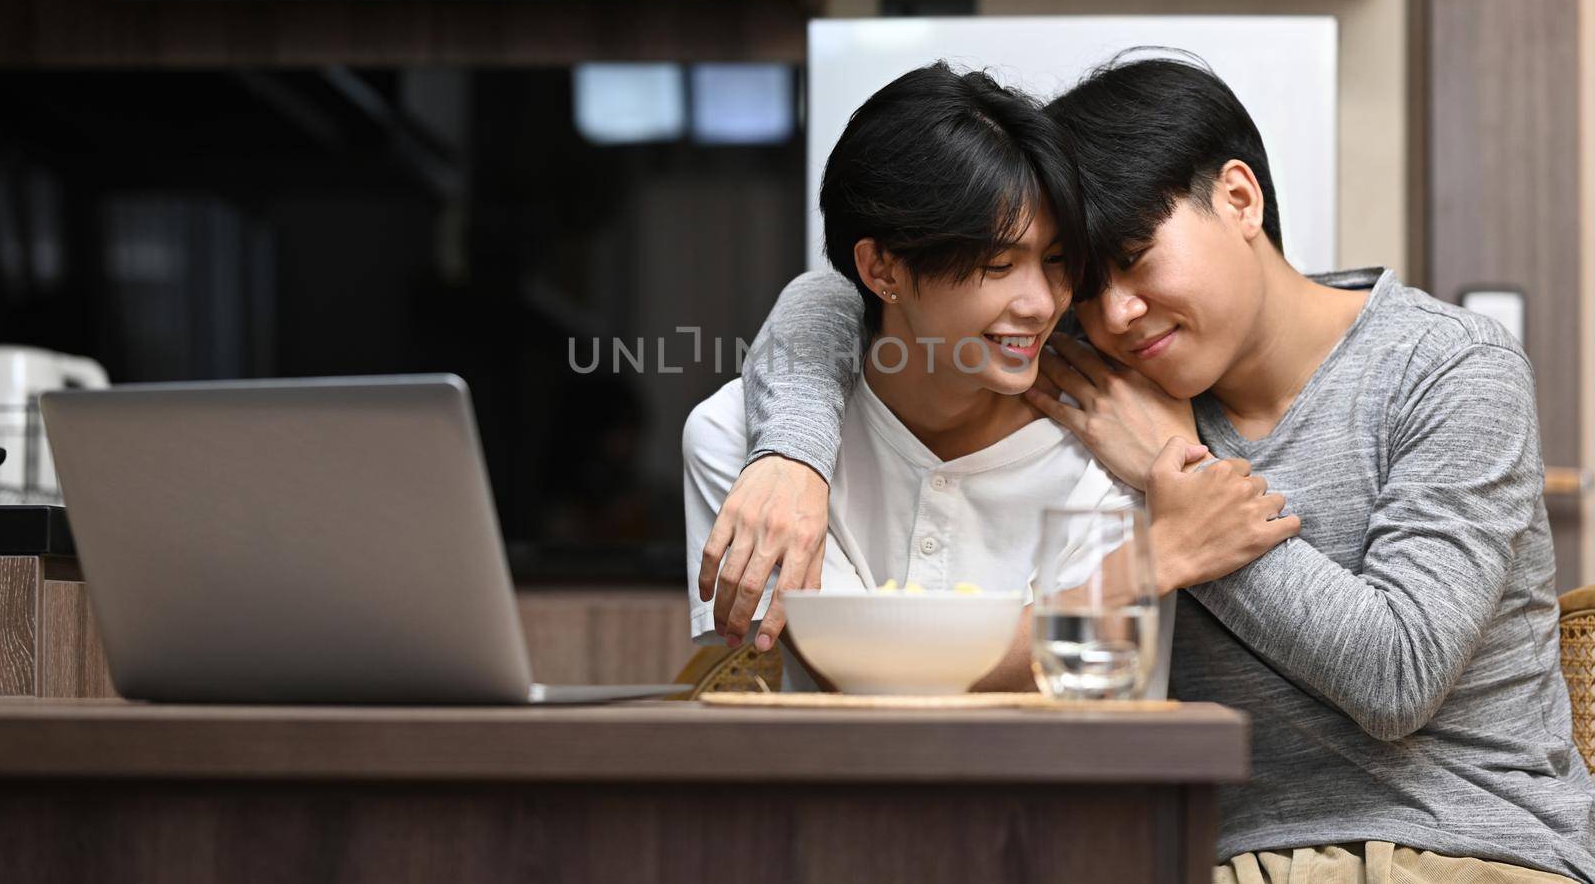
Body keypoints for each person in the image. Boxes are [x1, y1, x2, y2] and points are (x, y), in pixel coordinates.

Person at [705, 55, 1595, 882]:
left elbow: (1399, 675)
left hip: (1474, 847)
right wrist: (793, 449)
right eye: (1084, 284)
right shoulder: (1111, 375)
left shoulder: (1446, 366)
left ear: (1240, 198)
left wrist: (1179, 475)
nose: (1115, 313)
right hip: (1227, 855)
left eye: (1133, 260)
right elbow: (834, 293)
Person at [682, 61, 1288, 692]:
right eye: (998, 264)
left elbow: (1093, 703)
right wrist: (1151, 561)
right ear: (882, 269)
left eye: (1057, 262)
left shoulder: (1115, 446)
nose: (1040, 303)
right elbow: (857, 672)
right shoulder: (745, 447)